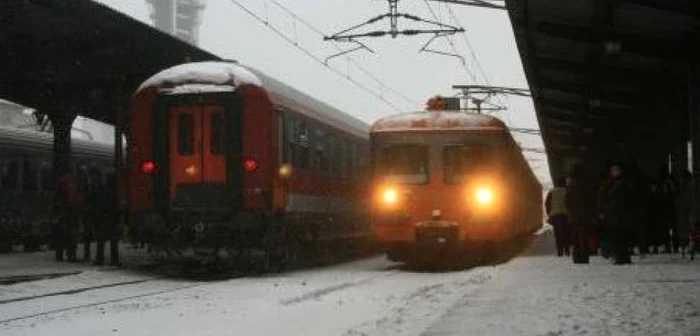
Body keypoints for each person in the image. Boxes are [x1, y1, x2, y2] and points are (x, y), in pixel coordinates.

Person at [598, 162, 635, 264]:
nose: (615, 172)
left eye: (617, 170)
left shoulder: (621, 183)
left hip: (619, 213)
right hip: (614, 213)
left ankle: (622, 256)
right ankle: (620, 256)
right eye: (614, 170)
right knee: (616, 235)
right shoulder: (611, 183)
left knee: (620, 235)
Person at [566, 164, 593, 264]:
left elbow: (567, 202)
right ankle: (585, 257)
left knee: (576, 237)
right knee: (585, 237)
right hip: (585, 215)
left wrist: (571, 211)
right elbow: (590, 200)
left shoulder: (570, 186)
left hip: (574, 216)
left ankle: (577, 258)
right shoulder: (587, 184)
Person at [86, 168, 106, 265]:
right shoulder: (97, 187)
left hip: (99, 214)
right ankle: (98, 256)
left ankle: (99, 257)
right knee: (97, 237)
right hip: (95, 214)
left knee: (99, 237)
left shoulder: (97, 188)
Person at [545, 178, 570, 256]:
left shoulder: (551, 192)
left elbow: (547, 204)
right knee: (566, 232)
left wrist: (549, 213)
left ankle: (559, 251)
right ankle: (567, 249)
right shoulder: (567, 191)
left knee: (557, 233)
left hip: (555, 215)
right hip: (565, 215)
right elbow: (570, 202)